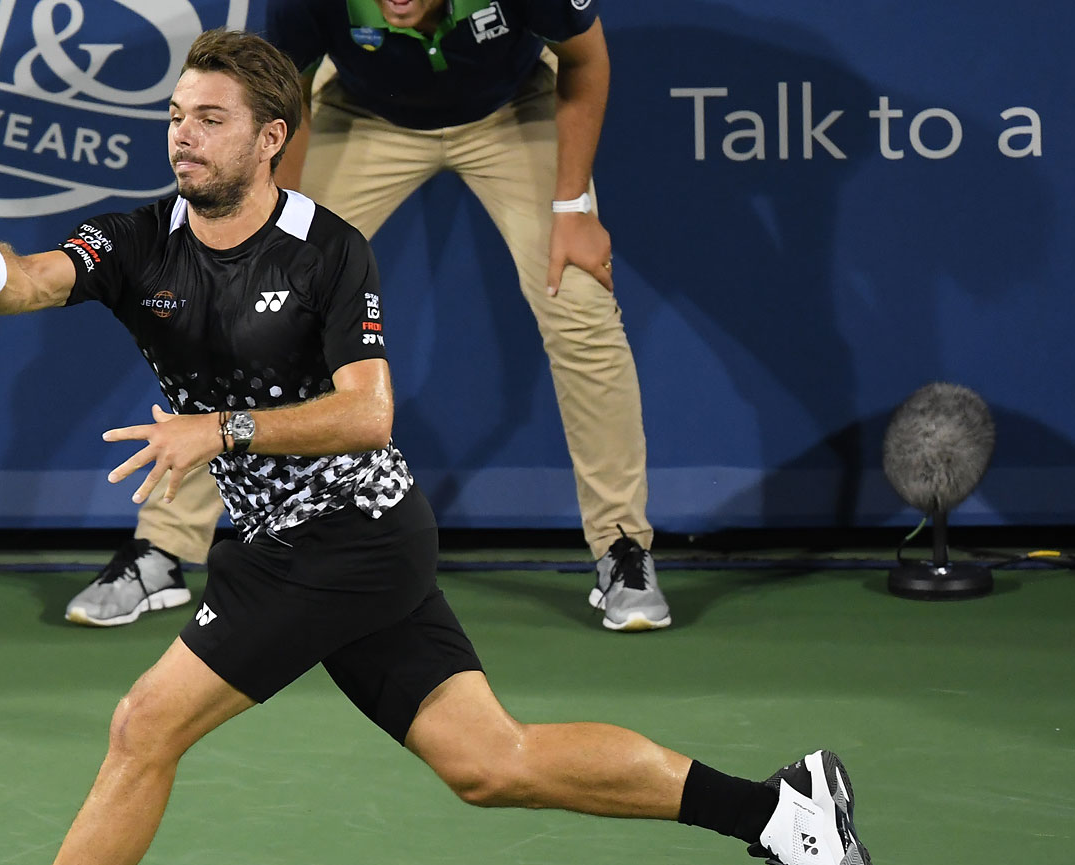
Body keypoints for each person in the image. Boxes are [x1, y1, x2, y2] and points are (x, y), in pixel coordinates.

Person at [0, 29, 874, 865]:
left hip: (352, 541)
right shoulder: (135, 242)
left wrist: (217, 431)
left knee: (145, 726)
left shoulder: (327, 248)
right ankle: (778, 813)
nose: (183, 136)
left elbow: (368, 414)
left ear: (271, 138)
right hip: (275, 548)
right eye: (175, 116)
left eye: (208, 120)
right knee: (493, 762)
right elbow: (30, 281)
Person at [64, 0, 670, 634]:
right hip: (361, 112)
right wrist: (270, 242)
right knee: (249, 305)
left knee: (580, 306)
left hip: (515, 107)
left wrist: (573, 205)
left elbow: (584, 55)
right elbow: (282, 91)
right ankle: (164, 545)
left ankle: (622, 546)